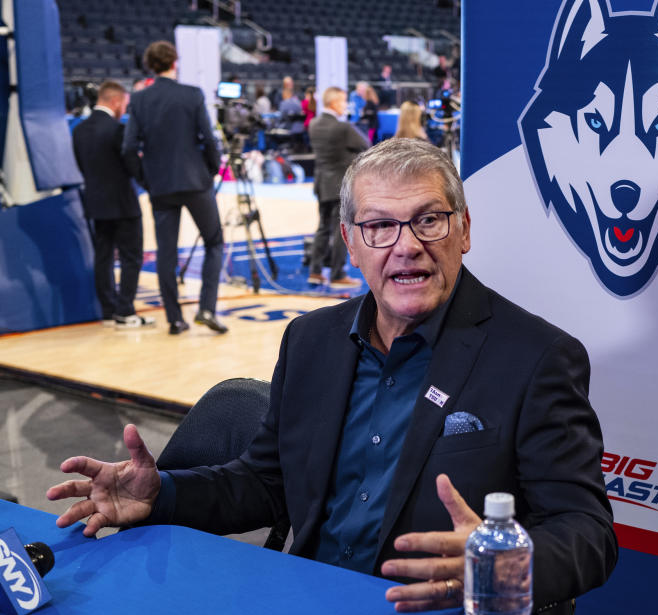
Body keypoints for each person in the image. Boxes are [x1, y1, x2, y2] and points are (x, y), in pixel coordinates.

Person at [48, 138, 618, 615]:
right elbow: (266, 484)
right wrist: (163, 495)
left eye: (429, 220)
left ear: (463, 230)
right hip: (307, 596)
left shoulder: (537, 357)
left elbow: (588, 534)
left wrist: (504, 561)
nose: (407, 247)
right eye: (379, 226)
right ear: (350, 242)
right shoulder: (311, 340)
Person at [121, 40, 227, 335]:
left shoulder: (139, 99)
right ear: (174, 62)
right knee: (214, 242)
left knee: (166, 253)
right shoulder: (191, 94)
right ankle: (207, 308)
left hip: (161, 185)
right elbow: (208, 138)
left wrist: (145, 179)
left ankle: (174, 319)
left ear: (149, 66)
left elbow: (128, 147)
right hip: (196, 182)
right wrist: (212, 169)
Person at [72, 81, 156, 329]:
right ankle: (125, 311)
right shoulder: (118, 130)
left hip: (95, 202)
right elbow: (132, 165)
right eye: (124, 104)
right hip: (123, 203)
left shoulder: (79, 130)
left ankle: (108, 312)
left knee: (103, 257)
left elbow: (81, 166)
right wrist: (146, 181)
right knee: (131, 257)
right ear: (116, 101)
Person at [307, 86, 368, 288]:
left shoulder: (314, 125)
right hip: (340, 184)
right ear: (334, 103)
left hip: (321, 183)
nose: (345, 106)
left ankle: (315, 272)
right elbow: (365, 144)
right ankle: (337, 273)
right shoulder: (342, 127)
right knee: (342, 230)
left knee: (322, 228)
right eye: (343, 101)